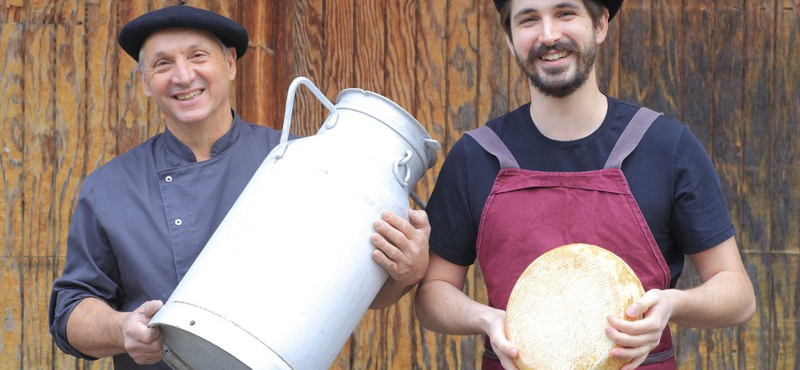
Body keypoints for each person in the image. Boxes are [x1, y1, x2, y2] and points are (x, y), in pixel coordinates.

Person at [48, 4, 431, 369]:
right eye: (163, 64)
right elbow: (70, 310)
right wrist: (121, 329)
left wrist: (405, 272)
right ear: (145, 81)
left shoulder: (304, 166)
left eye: (198, 56)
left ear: (230, 63)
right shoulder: (110, 187)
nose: (183, 76)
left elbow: (356, 293)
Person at [414, 0, 756, 369]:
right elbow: (432, 295)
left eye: (565, 13)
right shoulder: (477, 156)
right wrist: (488, 318)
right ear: (510, 39)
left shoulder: (666, 148)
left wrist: (673, 303)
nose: (548, 35)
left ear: (600, 24)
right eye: (529, 20)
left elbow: (738, 295)